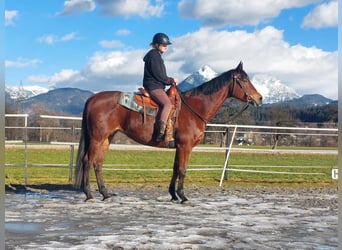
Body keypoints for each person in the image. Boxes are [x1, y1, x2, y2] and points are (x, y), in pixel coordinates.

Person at [143, 33, 179, 142]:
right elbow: (158, 74)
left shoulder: (156, 55)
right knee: (167, 104)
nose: (166, 46)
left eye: (166, 45)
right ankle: (161, 132)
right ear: (156, 44)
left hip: (156, 85)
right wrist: (170, 80)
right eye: (163, 44)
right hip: (153, 86)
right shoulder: (154, 55)